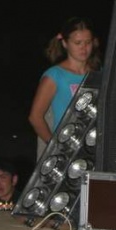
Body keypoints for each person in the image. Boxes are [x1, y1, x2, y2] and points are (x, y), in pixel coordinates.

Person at [28, 16, 101, 157]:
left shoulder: (99, 73)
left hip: (94, 146)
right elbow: (35, 117)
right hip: (67, 149)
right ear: (65, 43)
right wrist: (55, 146)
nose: (84, 48)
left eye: (88, 42)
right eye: (78, 43)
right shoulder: (55, 75)